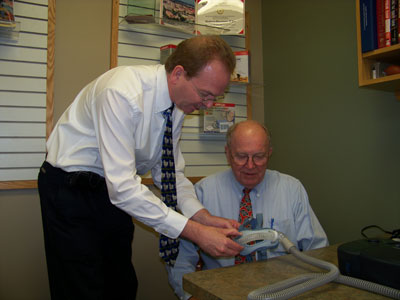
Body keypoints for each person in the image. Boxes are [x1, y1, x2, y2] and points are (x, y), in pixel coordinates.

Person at [37, 35, 244, 300]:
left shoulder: (177, 106)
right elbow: (123, 188)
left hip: (110, 192)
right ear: (178, 73)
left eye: (215, 97)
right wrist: (196, 233)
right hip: (71, 189)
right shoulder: (121, 92)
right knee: (83, 288)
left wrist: (202, 217)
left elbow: (168, 172)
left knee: (121, 284)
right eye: (205, 94)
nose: (209, 105)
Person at [166, 120, 329, 300]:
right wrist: (190, 296)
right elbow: (180, 260)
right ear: (228, 154)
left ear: (269, 154)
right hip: (221, 292)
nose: (250, 166)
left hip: (284, 290)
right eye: (241, 156)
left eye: (259, 156)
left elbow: (318, 251)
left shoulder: (291, 189)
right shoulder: (202, 193)